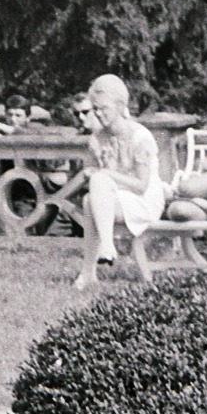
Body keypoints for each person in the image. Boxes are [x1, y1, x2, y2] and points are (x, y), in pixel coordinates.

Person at [74, 74, 164, 289]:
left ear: (120, 105)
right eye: (95, 108)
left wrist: (105, 174)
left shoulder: (140, 137)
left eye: (103, 108)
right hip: (116, 198)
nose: (98, 113)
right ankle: (91, 268)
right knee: (88, 200)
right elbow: (99, 178)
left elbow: (142, 185)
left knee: (97, 186)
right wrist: (99, 172)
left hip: (145, 199)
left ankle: (103, 251)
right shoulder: (97, 138)